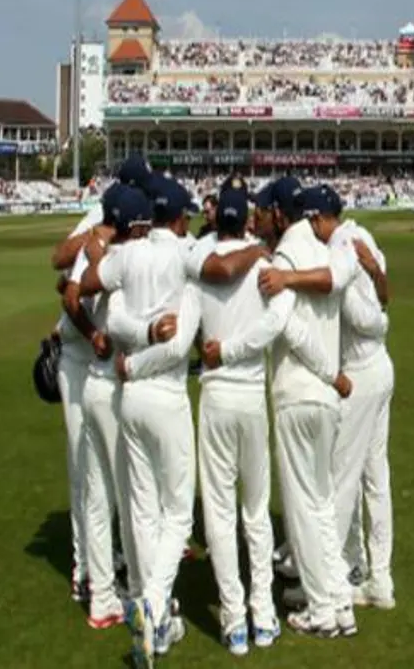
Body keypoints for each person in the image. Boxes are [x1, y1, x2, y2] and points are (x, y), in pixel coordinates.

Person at [79, 176, 201, 667]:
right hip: (165, 395)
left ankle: (159, 620)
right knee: (178, 515)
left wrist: (137, 343)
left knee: (144, 512)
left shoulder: (128, 257)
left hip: (129, 399)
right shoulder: (185, 255)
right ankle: (152, 603)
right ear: (175, 218)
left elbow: (107, 310)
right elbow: (176, 343)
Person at [250, 179, 362, 638]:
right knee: (319, 506)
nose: (258, 219)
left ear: (280, 213)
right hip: (325, 398)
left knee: (303, 510)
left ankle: (321, 612)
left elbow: (289, 330)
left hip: (301, 391)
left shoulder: (288, 255)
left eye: (263, 211)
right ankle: (339, 604)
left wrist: (327, 371)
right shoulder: (324, 248)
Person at [189, 184, 282, 655]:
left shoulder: (199, 261)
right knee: (255, 511)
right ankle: (263, 615)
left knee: (220, 516)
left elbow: (187, 331)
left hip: (215, 396)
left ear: (213, 219)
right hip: (248, 394)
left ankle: (234, 621)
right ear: (245, 220)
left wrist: (216, 349)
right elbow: (275, 324)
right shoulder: (263, 264)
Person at [61, 184, 151, 630]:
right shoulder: (128, 257)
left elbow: (70, 293)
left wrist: (86, 331)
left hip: (92, 386)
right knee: (132, 492)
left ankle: (101, 598)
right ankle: (139, 594)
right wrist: (99, 336)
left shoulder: (98, 248)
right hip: (116, 386)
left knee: (98, 498)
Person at [330, 218, 396, 610]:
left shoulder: (346, 246)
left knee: (346, 478)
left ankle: (338, 579)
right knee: (375, 477)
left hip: (360, 375)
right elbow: (385, 292)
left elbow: (366, 318)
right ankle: (376, 577)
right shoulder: (362, 241)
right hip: (378, 370)